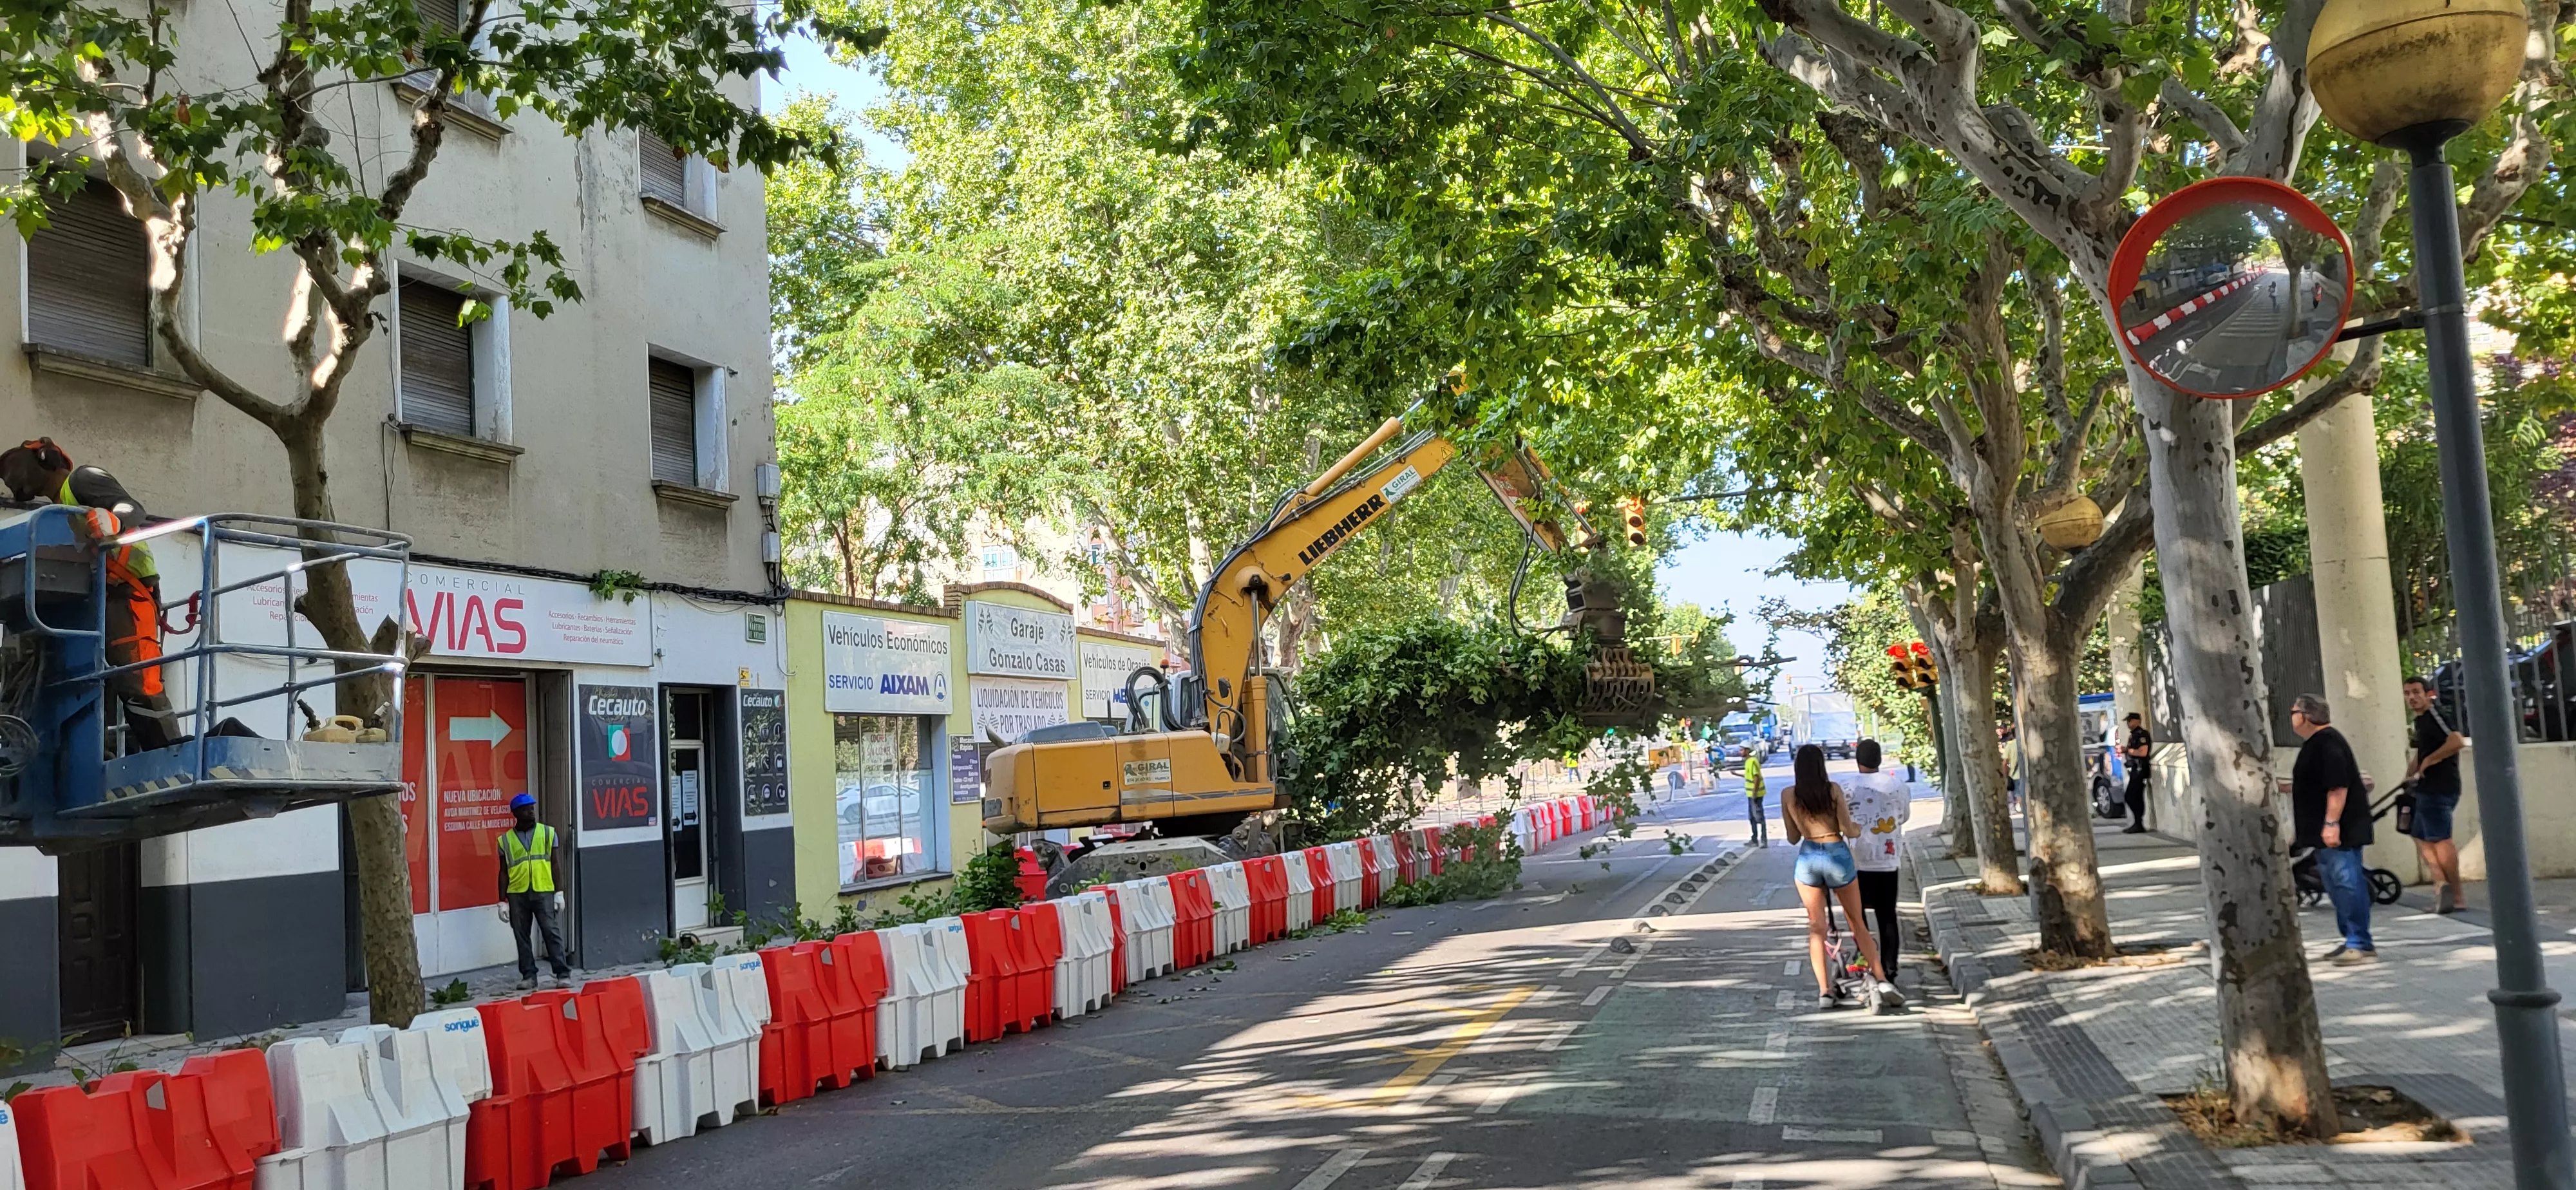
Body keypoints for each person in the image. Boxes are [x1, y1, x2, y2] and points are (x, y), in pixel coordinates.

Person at [0, 438, 175, 750]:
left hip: (125, 592)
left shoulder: (83, 479)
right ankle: (112, 752)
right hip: (94, 600)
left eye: (12, 468)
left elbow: (132, 507)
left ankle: (170, 752)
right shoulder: (55, 513)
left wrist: (115, 520)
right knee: (83, 681)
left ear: (45, 458)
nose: (9, 479)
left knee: (137, 681)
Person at [1779, 744, 1904, 1011]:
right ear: (1821, 765)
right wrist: (1856, 829)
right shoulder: (1833, 790)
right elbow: (1849, 829)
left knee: (1816, 927)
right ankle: (1881, 980)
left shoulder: (1789, 794)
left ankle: (1825, 992)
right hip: (1837, 853)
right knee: (1857, 922)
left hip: (1810, 857)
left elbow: (1792, 838)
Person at [2289, 694, 2374, 965]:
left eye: (2294, 712)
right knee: (2336, 886)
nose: (2292, 717)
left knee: (2347, 883)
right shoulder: (2316, 744)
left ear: (2304, 716)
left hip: (2339, 831)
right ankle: (2351, 938)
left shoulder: (2327, 744)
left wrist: (2331, 824)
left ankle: (2359, 942)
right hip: (2322, 832)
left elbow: (2338, 787)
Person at [1843, 739, 1913, 981]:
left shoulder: (1847, 788)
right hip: (1888, 859)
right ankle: (1890, 970)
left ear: (1857, 761)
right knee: (1887, 916)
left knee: (1857, 915)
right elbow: (1903, 816)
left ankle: (1865, 959)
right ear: (1880, 759)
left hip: (1857, 861)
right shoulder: (1897, 785)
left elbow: (1842, 822)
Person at [2403, 676, 2468, 914]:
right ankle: (2441, 885)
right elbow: (2423, 751)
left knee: (2441, 839)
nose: (2412, 697)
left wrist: (2431, 761)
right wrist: (2409, 774)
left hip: (2441, 787)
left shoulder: (2436, 715)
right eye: (2407, 693)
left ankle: (2458, 896)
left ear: (2427, 693)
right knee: (2418, 833)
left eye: (2416, 692)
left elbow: (2457, 741)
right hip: (2424, 788)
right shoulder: (2421, 721)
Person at [495, 792, 572, 988]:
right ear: (516, 813)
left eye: (532, 808)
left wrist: (559, 892)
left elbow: (555, 864)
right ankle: (529, 976)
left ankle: (563, 973)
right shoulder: (505, 841)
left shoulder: (548, 833)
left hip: (543, 890)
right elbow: (503, 872)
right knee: (521, 936)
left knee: (551, 932)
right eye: (526, 809)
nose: (531, 812)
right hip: (517, 893)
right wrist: (501, 901)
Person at [2120, 712, 2152, 833]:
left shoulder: (2142, 734)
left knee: (2132, 796)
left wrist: (2127, 750)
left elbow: (2143, 752)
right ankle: (2137, 823)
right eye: (2128, 721)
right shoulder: (2133, 735)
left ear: (2137, 721)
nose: (2128, 724)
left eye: (2130, 721)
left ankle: (2139, 823)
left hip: (2140, 770)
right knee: (2133, 797)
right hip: (2134, 770)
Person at [1742, 749, 1769, 845]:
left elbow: (1756, 777)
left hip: (1756, 795)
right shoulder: (1748, 761)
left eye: (1742, 750)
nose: (1740, 752)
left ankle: (1763, 840)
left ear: (1747, 750)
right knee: (1752, 817)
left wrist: (1754, 793)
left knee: (1759, 817)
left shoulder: (1752, 761)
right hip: (1751, 795)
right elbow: (1749, 777)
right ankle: (1754, 840)